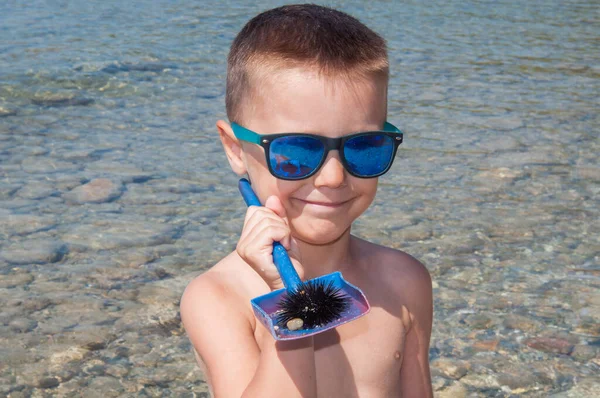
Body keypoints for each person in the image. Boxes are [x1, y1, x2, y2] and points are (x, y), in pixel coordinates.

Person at [180, 4, 433, 397]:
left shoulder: (403, 281)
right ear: (234, 149)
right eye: (297, 152)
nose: (333, 178)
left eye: (364, 147)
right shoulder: (219, 297)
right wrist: (290, 299)